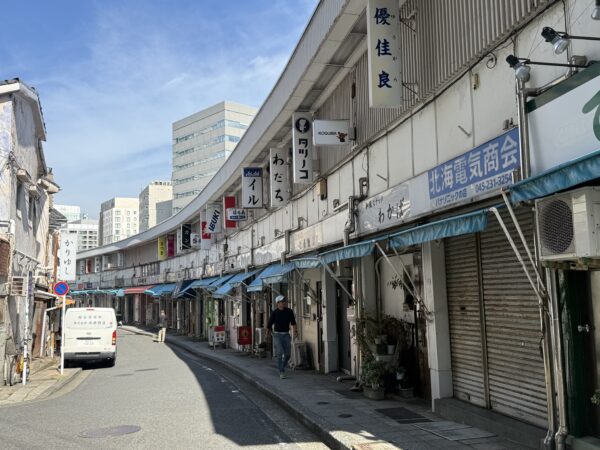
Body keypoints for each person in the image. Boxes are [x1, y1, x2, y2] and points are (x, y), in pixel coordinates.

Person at [267, 295, 297, 379]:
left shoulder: (289, 311)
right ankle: (281, 372)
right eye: (282, 301)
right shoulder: (274, 313)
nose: (284, 303)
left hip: (286, 334)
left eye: (284, 301)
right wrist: (269, 334)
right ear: (277, 303)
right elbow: (269, 325)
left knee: (288, 354)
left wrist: (295, 332)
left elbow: (293, 323)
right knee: (279, 353)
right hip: (277, 335)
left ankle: (282, 366)